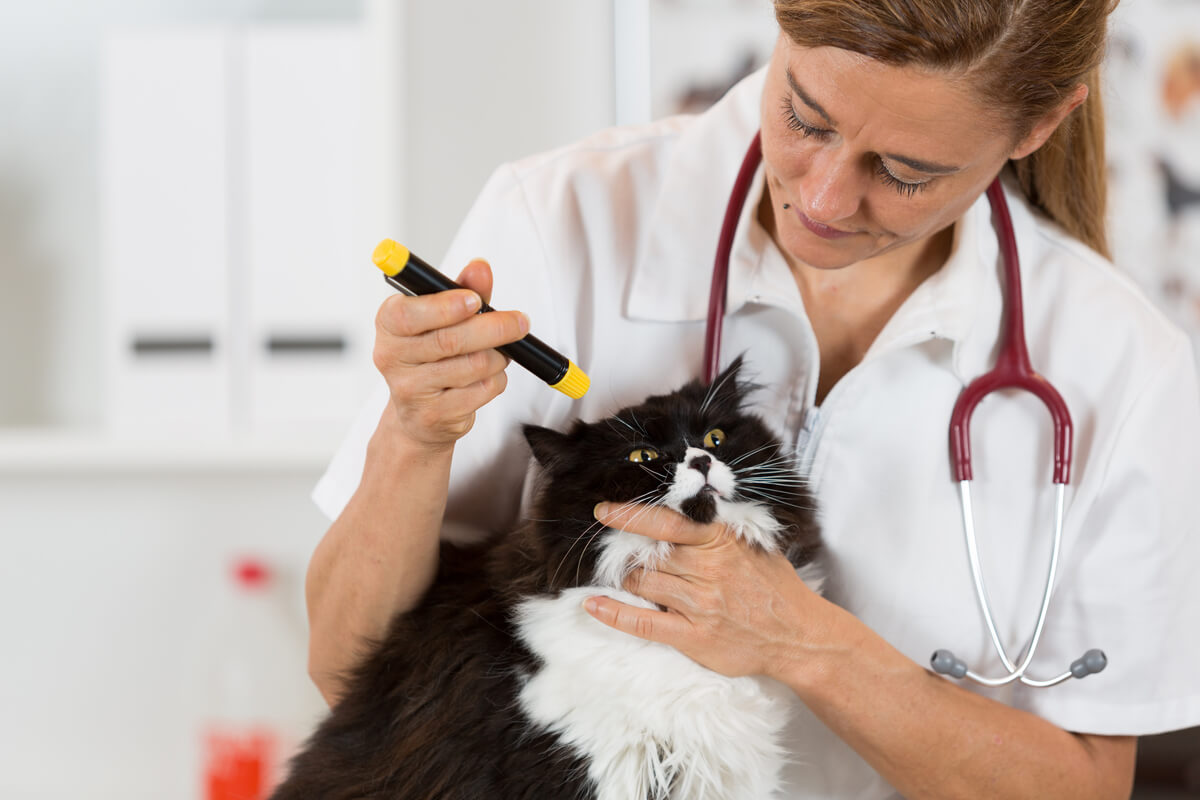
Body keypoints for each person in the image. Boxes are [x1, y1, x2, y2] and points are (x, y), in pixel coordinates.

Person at [305, 1, 1200, 796]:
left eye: (904, 173)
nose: (821, 197)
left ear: (1038, 124)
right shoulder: (563, 219)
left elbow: (1081, 787)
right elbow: (347, 670)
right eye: (804, 117)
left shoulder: (1121, 365)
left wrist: (803, 641)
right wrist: (415, 433)